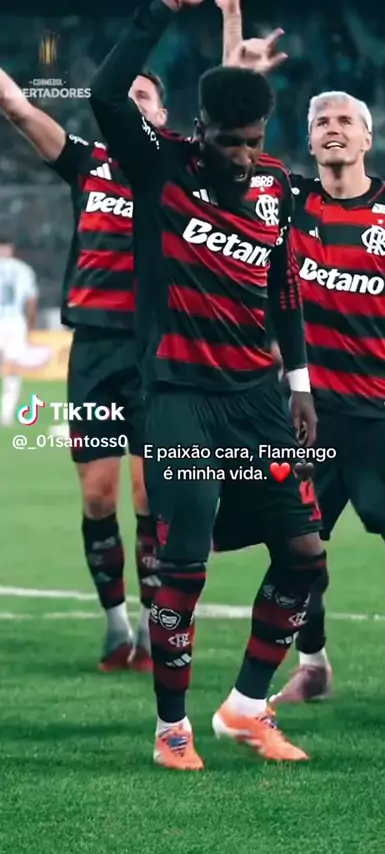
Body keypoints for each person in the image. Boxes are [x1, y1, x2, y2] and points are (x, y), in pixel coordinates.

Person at [90, 0, 327, 771]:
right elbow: (103, 93)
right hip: (179, 398)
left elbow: (283, 289)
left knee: (304, 555)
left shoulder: (277, 187)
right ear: (203, 130)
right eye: (231, 141)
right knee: (184, 562)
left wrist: (299, 384)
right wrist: (158, 12)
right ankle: (172, 729)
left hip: (258, 399)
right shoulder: (162, 164)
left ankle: (245, 708)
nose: (244, 155)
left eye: (254, 141)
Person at [217, 2, 385, 710]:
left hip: (380, 408)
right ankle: (312, 662)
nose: (334, 128)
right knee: (297, 541)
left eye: (346, 119)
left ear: (367, 136)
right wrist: (239, 63)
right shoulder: (287, 202)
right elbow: (223, 148)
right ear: (309, 139)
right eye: (321, 121)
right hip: (304, 411)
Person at [0, 67, 167, 672]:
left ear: (163, 116)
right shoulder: (87, 162)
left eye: (144, 96)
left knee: (150, 493)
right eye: (124, 94)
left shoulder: (176, 169)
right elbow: (18, 108)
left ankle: (152, 628)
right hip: (94, 351)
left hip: (154, 351)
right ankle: (116, 625)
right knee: (98, 495)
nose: (132, 102)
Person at [0, 238, 45, 425]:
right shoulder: (23, 269)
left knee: (11, 367)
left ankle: (6, 415)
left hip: (8, 321)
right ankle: (6, 415)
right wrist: (30, 327)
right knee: (13, 369)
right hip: (15, 323)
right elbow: (31, 302)